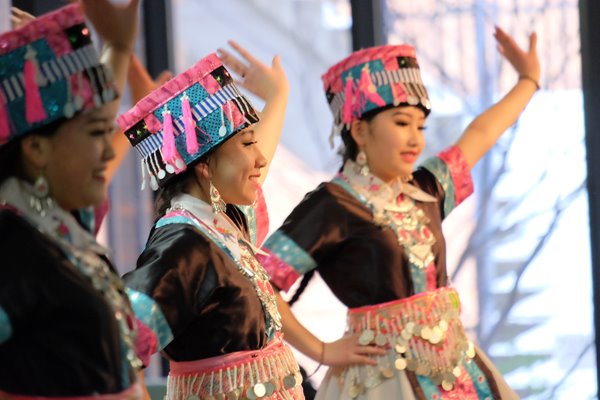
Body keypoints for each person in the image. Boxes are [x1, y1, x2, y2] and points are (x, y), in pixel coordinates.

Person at [259, 27, 539, 399]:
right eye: (401, 123)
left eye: (420, 126)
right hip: (381, 379)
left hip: (456, 371)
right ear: (360, 130)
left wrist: (529, 81)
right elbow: (257, 284)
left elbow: (481, 133)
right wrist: (322, 350)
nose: (415, 139)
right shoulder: (332, 205)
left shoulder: (425, 190)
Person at [119, 43, 305, 399]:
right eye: (248, 143)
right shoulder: (183, 245)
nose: (262, 158)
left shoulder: (223, 225)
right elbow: (121, 344)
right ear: (203, 164)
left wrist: (278, 96)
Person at [0, 0, 151, 398]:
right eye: (96, 134)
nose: (108, 150)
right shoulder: (12, 248)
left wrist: (119, 46)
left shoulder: (59, 224)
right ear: (36, 149)